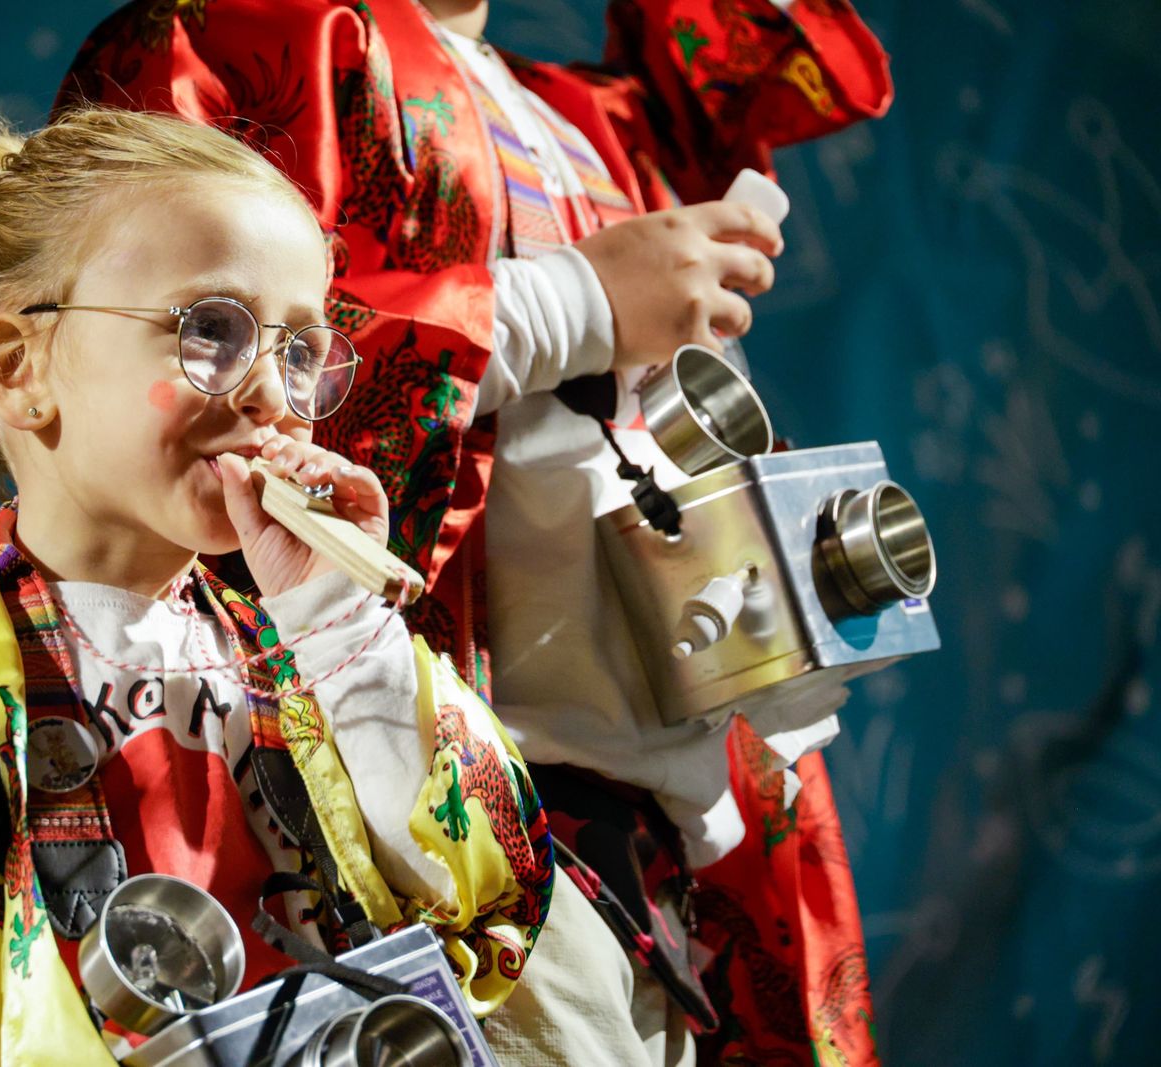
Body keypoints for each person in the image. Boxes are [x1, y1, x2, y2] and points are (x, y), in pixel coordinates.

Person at [60, 1, 892, 1063]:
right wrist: (568, 303)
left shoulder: (601, 119)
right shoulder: (234, 37)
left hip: (668, 836)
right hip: (395, 822)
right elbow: (162, 388)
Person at [0, 106, 554, 1066]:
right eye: (212, 330)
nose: (274, 398)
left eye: (299, 351)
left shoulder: (298, 654)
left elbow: (482, 907)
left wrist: (338, 623)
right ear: (18, 368)